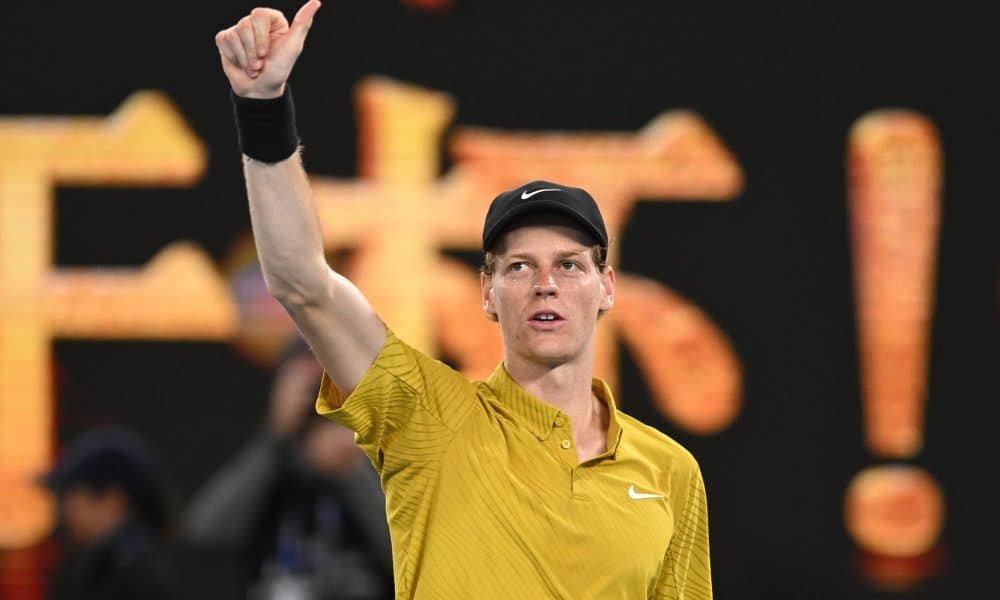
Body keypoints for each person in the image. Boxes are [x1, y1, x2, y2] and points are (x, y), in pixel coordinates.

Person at [215, 1, 712, 597]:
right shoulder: (429, 418)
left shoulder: (670, 471)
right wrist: (263, 109)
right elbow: (302, 281)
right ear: (488, 292)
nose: (545, 284)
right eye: (520, 266)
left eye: (570, 265)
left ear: (607, 288)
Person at [182, 338, 393, 599]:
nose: (321, 399)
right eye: (312, 387)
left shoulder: (381, 456)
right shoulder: (268, 462)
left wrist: (352, 470)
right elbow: (203, 533)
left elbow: (411, 556)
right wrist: (274, 436)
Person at [42, 427, 177, 600]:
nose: (66, 510)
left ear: (112, 500)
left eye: (72, 496)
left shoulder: (134, 577)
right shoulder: (108, 566)